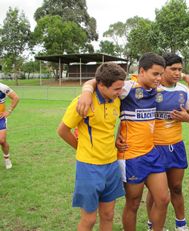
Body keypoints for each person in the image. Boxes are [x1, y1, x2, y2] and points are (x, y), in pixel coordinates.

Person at [77, 53, 170, 231]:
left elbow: (175, 80)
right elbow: (97, 81)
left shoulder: (157, 88)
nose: (159, 78)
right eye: (155, 74)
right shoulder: (127, 87)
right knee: (133, 203)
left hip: (151, 153)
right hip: (131, 156)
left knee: (163, 199)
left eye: (161, 74)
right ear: (142, 71)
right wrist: (87, 92)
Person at [57, 62, 126, 231]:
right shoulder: (82, 102)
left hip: (111, 165)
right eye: (117, 89)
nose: (120, 92)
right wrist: (81, 148)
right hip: (89, 167)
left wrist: (116, 140)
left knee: (108, 215)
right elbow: (62, 130)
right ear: (102, 85)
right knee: (89, 220)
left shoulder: (115, 100)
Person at [146, 53, 189, 231]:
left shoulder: (184, 91)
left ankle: (181, 225)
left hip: (176, 146)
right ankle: (151, 225)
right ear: (163, 69)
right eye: (173, 69)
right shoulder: (151, 88)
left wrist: (187, 118)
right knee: (155, 193)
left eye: (180, 70)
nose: (177, 73)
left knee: (176, 187)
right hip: (154, 147)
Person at [0, 83, 19, 169]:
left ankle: (7, 158)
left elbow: (16, 98)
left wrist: (9, 111)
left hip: (0, 118)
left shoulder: (2, 87)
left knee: (2, 140)